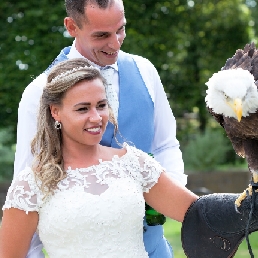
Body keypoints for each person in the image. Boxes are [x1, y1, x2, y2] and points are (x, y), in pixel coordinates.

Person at [13, 0, 186, 257]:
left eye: (121, 30)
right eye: (102, 35)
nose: (115, 43)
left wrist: (165, 197)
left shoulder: (145, 71)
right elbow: (30, 188)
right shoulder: (39, 93)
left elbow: (165, 144)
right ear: (72, 26)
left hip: (153, 248)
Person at [0, 58, 198, 258]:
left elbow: (199, 214)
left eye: (101, 105)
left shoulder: (135, 164)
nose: (96, 117)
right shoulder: (30, 185)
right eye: (83, 109)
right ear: (55, 111)